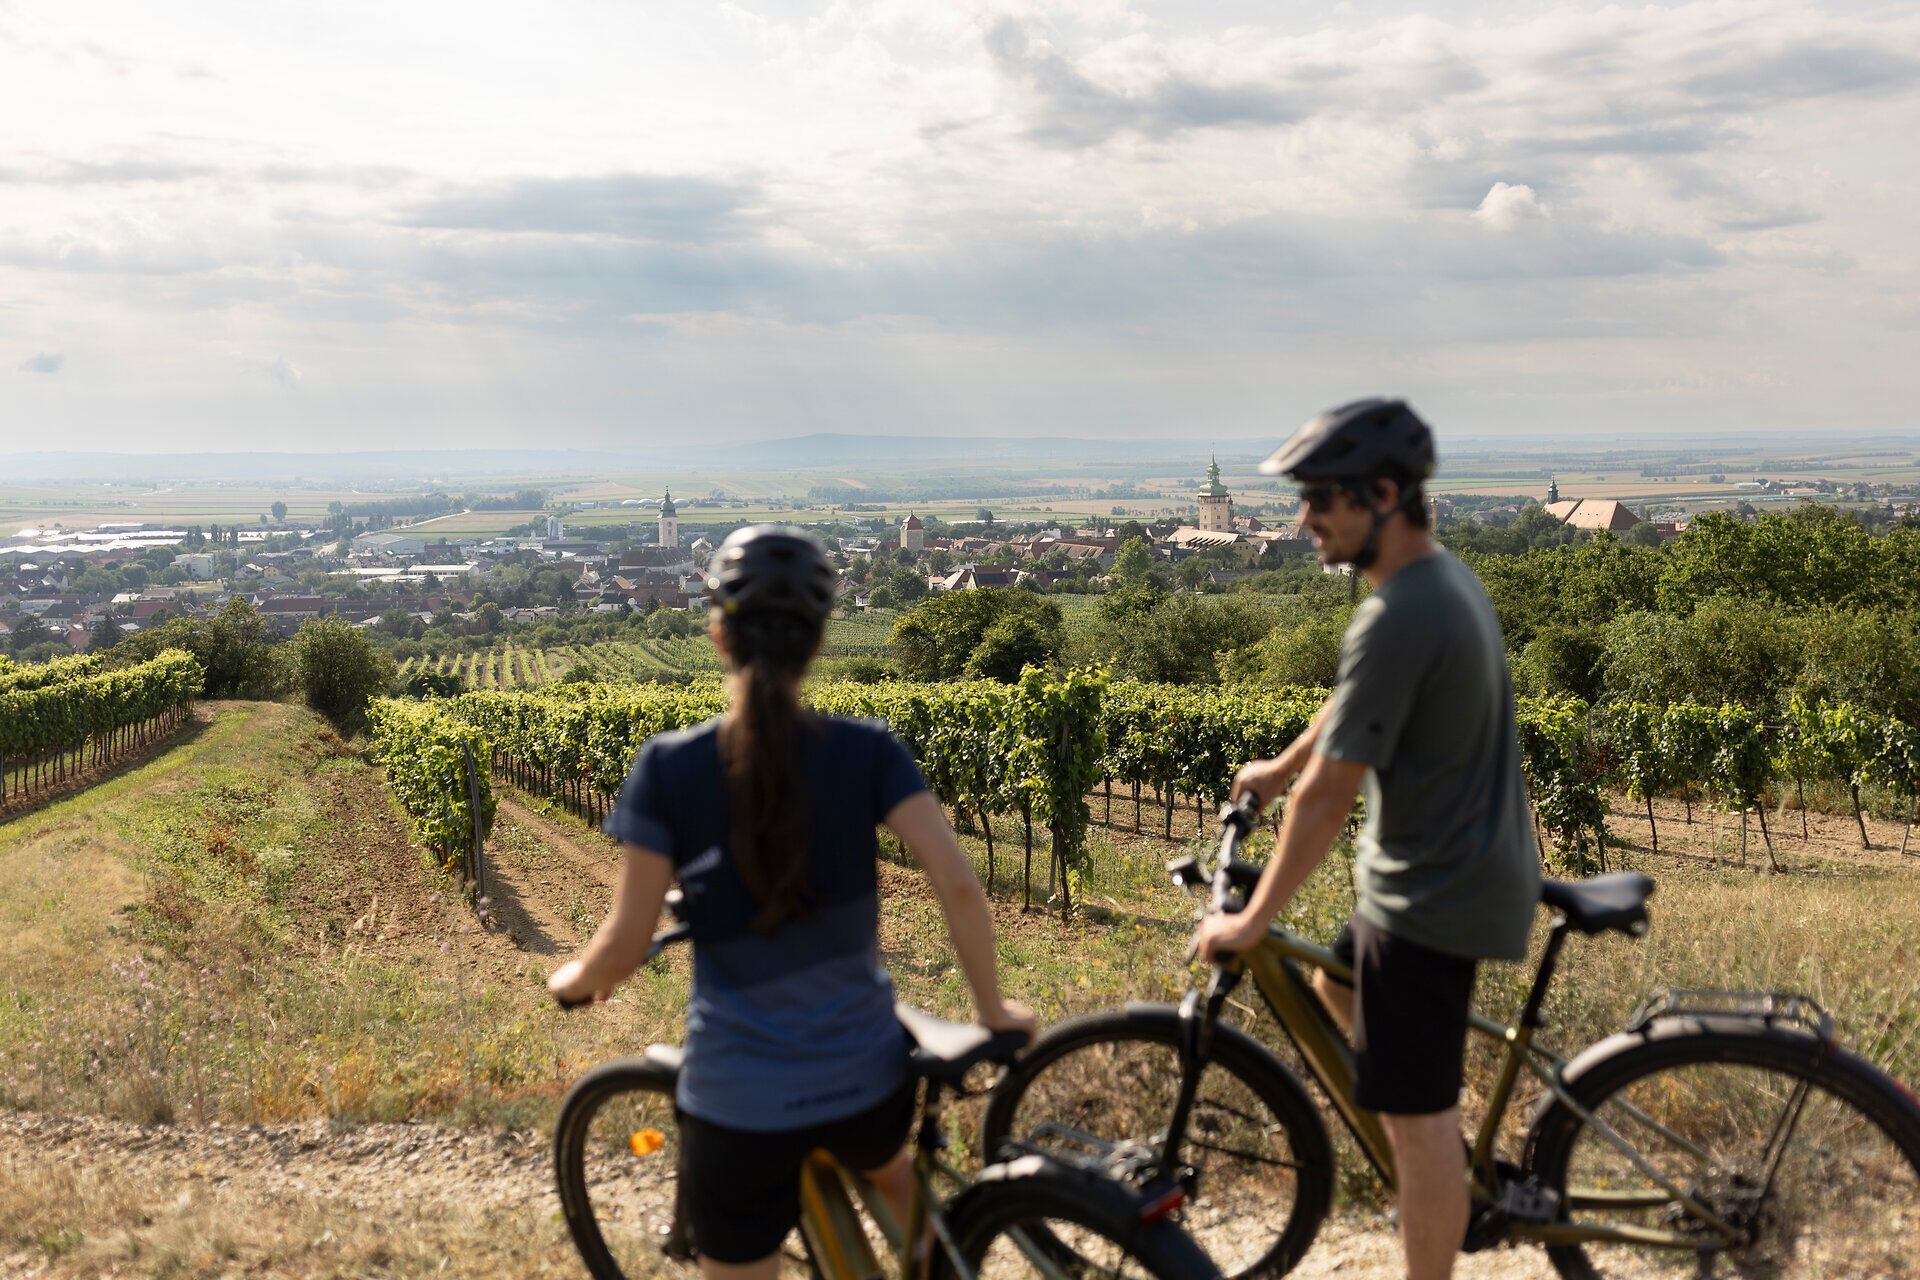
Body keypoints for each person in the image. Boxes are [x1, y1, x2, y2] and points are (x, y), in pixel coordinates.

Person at [549, 525, 1034, 1279]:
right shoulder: (870, 751)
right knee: (893, 1172)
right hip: (871, 1088)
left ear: (719, 635)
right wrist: (994, 1012)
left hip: (740, 1108)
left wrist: (573, 982)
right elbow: (960, 886)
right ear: (818, 642)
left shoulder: (669, 770)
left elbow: (623, 942)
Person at [1192, 399, 1542, 1280]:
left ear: (1383, 494)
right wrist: (1278, 764)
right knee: (1333, 981)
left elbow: (1330, 796)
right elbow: (1355, 711)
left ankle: (1435, 1183)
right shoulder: (1430, 584)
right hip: (1446, 875)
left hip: (1433, 898)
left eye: (1321, 499)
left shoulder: (1401, 613)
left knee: (1418, 1129)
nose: (1304, 518)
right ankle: (1444, 1165)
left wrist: (1252, 916)